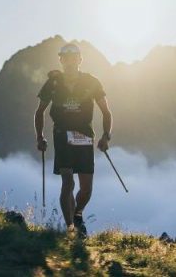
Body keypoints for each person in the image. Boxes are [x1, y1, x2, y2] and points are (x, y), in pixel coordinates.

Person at [34, 43, 113, 237]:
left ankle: (78, 214)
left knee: (86, 189)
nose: (69, 61)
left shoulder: (92, 81)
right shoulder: (53, 83)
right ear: (61, 60)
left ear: (79, 59)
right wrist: (40, 136)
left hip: (85, 135)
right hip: (61, 134)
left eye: (73, 58)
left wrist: (106, 135)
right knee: (68, 183)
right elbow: (39, 112)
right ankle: (70, 228)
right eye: (65, 58)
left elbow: (106, 111)